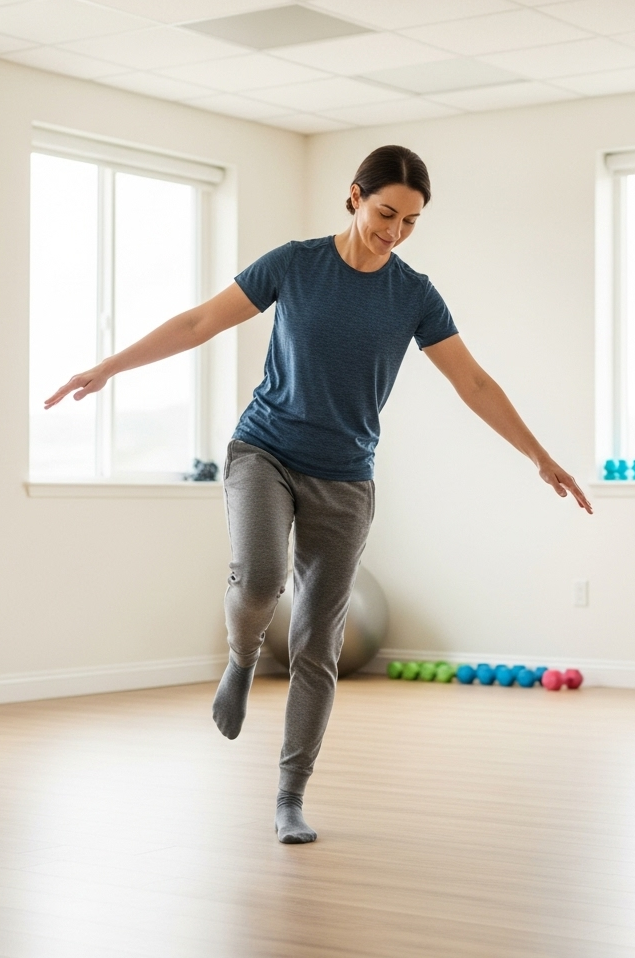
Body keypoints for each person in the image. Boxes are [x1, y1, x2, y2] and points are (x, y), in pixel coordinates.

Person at [45, 145, 592, 845]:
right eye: (385, 213)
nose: (395, 231)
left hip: (346, 478)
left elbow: (474, 383)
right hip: (264, 452)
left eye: (412, 221)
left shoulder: (414, 296)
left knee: (315, 645)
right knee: (263, 579)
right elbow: (198, 322)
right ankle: (241, 658)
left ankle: (290, 798)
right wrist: (106, 368)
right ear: (354, 197)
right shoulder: (295, 264)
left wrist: (540, 457)